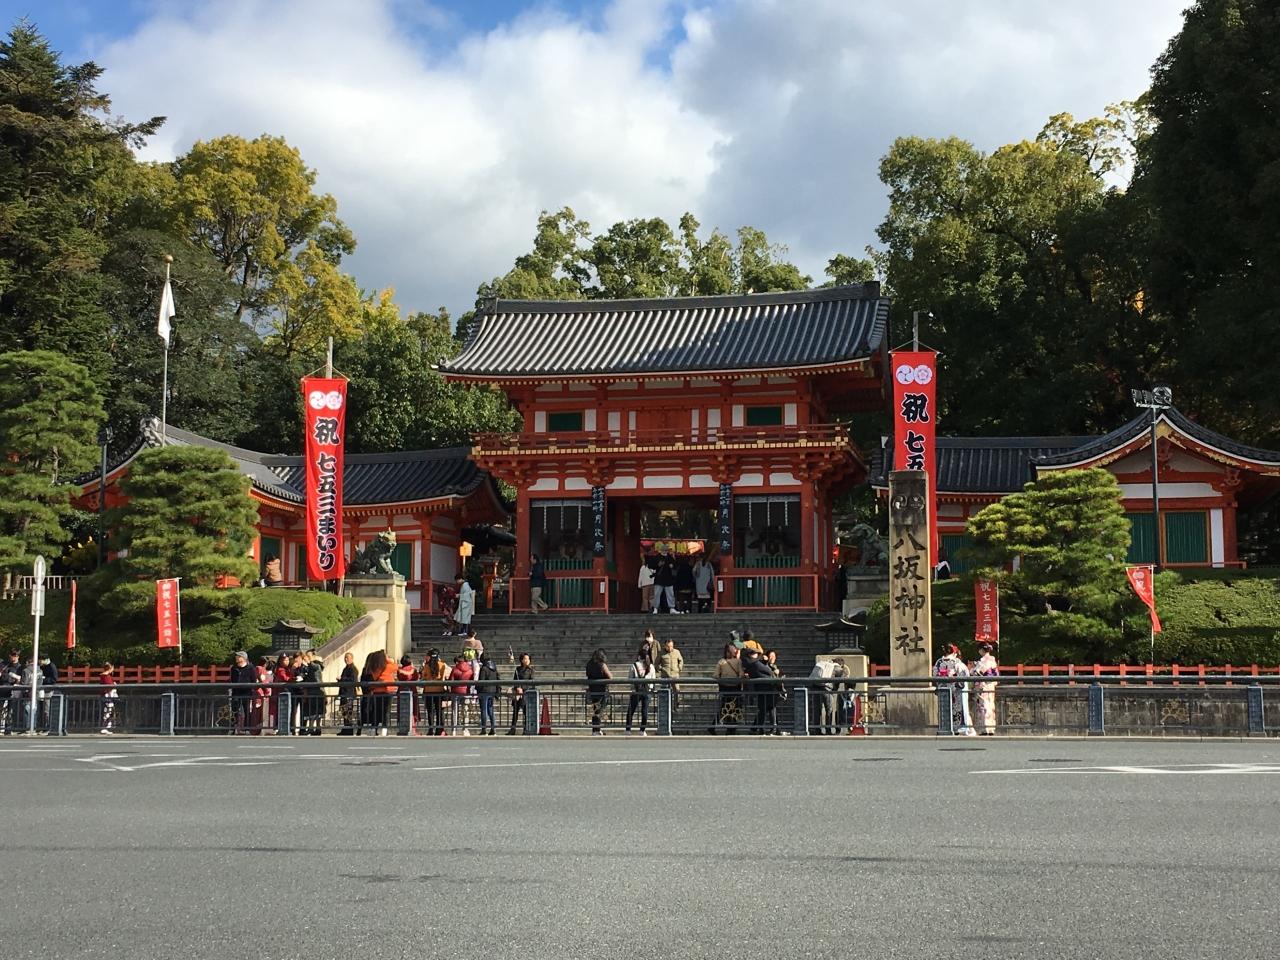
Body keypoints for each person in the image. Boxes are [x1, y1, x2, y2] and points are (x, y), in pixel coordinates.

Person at [933, 644, 974, 736]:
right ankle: (956, 728)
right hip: (955, 689)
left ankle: (944, 727)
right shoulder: (956, 662)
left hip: (943, 688)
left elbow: (935, 674)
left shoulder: (939, 662)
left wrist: (940, 682)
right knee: (956, 708)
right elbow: (965, 674)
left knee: (944, 708)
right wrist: (957, 682)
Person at [742, 646, 776, 735]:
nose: (757, 655)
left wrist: (765, 662)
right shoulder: (755, 664)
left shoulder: (750, 663)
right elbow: (769, 672)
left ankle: (758, 728)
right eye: (755, 653)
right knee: (768, 709)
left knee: (765, 709)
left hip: (761, 688)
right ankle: (767, 728)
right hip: (766, 688)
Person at [712, 643, 743, 735]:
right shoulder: (738, 661)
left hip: (724, 688)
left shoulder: (721, 662)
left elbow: (716, 675)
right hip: (735, 687)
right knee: (734, 708)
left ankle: (715, 726)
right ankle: (731, 728)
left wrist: (723, 679)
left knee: (725, 707)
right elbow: (741, 674)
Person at [364, 650, 396, 736]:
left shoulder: (375, 667)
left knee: (376, 711)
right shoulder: (388, 666)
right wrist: (389, 660)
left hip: (377, 691)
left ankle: (373, 728)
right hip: (387, 690)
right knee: (386, 711)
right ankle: (384, 729)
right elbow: (395, 666)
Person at [626, 647, 655, 735]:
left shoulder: (634, 665)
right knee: (644, 711)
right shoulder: (651, 666)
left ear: (639, 656)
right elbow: (653, 679)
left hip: (636, 690)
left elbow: (630, 678)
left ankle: (628, 729)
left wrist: (632, 688)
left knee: (631, 710)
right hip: (647, 691)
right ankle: (642, 730)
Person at [421, 649, 451, 736]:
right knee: (439, 711)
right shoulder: (442, 665)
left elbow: (424, 677)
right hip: (439, 690)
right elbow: (446, 675)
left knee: (430, 711)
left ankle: (431, 729)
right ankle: (439, 729)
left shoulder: (427, 666)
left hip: (428, 691)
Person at [972, 643, 999, 736]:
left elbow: (976, 672)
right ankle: (991, 728)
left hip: (983, 685)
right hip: (991, 685)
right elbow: (995, 673)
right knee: (990, 705)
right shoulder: (993, 660)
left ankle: (985, 728)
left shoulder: (983, 661)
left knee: (983, 706)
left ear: (981, 650)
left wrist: (973, 669)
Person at [229, 651, 258, 735]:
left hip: (247, 692)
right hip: (236, 692)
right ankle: (233, 728)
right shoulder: (234, 668)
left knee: (247, 710)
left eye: (238, 657)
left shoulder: (251, 668)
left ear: (244, 658)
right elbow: (232, 679)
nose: (237, 659)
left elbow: (253, 680)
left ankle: (247, 728)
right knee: (234, 710)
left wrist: (251, 689)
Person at [585, 648, 612, 736]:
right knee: (599, 711)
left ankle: (595, 729)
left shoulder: (589, 664)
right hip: (601, 690)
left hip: (593, 690)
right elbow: (610, 676)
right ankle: (597, 729)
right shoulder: (602, 664)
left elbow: (588, 674)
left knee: (595, 710)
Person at [807, 659, 838, 735]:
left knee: (816, 709)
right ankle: (828, 730)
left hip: (815, 687)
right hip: (827, 689)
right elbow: (837, 681)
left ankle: (816, 730)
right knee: (829, 710)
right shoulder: (836, 667)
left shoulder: (821, 664)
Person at [655, 637, 684, 713]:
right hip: (665, 676)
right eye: (668, 646)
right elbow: (656, 663)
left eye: (671, 646)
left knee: (677, 691)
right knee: (665, 692)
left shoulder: (677, 652)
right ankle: (666, 708)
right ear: (665, 646)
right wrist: (661, 669)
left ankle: (676, 706)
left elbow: (681, 660)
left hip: (675, 675)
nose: (670, 648)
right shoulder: (661, 653)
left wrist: (679, 668)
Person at [508, 652, 535, 735]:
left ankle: (526, 729)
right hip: (517, 694)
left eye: (528, 659)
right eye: (525, 659)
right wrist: (517, 688)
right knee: (515, 712)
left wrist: (522, 688)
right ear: (521, 660)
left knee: (526, 713)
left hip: (526, 694)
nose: (527, 660)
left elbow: (532, 683)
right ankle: (513, 729)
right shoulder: (517, 669)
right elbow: (515, 681)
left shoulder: (531, 670)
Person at [449, 654, 474, 736]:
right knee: (465, 710)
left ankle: (454, 730)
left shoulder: (455, 669)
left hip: (455, 691)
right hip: (466, 691)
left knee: (454, 711)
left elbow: (451, 680)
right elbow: (472, 680)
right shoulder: (470, 669)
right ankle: (465, 729)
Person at [476, 654, 500, 735]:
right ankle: (493, 728)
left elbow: (481, 681)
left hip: (484, 691)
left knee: (484, 710)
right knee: (490, 710)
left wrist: (477, 688)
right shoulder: (494, 667)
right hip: (492, 691)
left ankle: (484, 729)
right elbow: (498, 679)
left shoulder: (484, 668)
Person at [396, 654, 420, 733]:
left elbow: (399, 677)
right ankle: (413, 728)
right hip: (412, 689)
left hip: (402, 689)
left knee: (402, 709)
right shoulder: (413, 669)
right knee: (414, 709)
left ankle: (402, 727)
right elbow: (416, 678)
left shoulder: (400, 670)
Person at [338, 652, 359, 735]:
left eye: (347, 657)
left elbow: (353, 680)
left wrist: (342, 679)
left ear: (352, 658)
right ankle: (346, 728)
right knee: (344, 712)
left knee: (348, 712)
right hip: (344, 693)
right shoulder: (346, 668)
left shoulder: (353, 669)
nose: (346, 659)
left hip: (349, 693)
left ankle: (349, 729)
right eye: (345, 658)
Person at [3, 650, 23, 735]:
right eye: (12, 655)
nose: (13, 657)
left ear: (18, 656)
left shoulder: (20, 667)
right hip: (3, 690)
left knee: (10, 710)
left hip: (13, 690)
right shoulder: (5, 666)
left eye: (15, 656)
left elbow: (21, 679)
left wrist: (16, 680)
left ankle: (8, 728)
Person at [99, 662, 118, 735]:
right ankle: (104, 727)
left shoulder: (105, 676)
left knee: (108, 712)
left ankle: (106, 727)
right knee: (107, 712)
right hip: (107, 696)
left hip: (107, 696)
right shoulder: (106, 676)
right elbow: (109, 686)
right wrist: (114, 685)